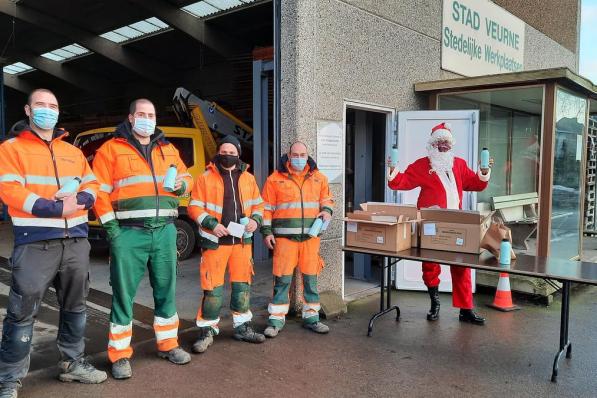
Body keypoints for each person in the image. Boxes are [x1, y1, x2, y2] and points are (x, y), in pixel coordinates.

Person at [0, 89, 106, 397]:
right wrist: (53, 208)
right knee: (22, 311)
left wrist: (85, 198)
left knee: (75, 307)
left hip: (74, 241)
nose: (48, 110)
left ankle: (72, 365)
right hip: (35, 243)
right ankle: (9, 378)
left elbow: (91, 181)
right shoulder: (11, 148)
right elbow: (9, 190)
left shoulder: (71, 152)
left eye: (53, 106)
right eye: (41, 106)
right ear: (28, 110)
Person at [92, 98, 193, 379]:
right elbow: (98, 192)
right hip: (129, 233)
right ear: (131, 117)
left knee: (166, 291)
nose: (147, 119)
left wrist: (184, 183)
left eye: (151, 114)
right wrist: (113, 232)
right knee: (123, 295)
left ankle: (168, 344)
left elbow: (186, 176)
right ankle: (120, 355)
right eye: (142, 114)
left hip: (165, 231)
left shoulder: (167, 148)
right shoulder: (111, 149)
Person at [388, 122, 492, 325]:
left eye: (446, 142)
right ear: (432, 144)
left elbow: (476, 184)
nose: (443, 145)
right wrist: (392, 169)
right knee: (430, 265)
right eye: (439, 141)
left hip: (456, 223)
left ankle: (466, 309)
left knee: (462, 265)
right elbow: (400, 182)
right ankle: (434, 303)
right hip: (431, 224)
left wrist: (483, 170)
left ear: (451, 145)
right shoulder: (421, 165)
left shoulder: (460, 164)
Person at [189, 136, 266, 353]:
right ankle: (206, 330)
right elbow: (194, 207)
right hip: (215, 242)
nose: (227, 154)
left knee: (242, 287)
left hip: (242, 243)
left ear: (238, 153)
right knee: (212, 289)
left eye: (231, 151)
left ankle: (242, 327)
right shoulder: (205, 178)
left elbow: (259, 205)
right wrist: (212, 225)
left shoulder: (248, 179)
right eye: (223, 151)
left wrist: (255, 221)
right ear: (218, 153)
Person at [261, 142, 334, 337]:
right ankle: (276, 320)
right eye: (295, 154)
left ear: (307, 155)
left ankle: (312, 317)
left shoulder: (320, 178)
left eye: (303, 154)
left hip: (310, 239)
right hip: (284, 240)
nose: (299, 158)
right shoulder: (274, 180)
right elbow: (266, 209)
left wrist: (327, 211)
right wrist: (266, 232)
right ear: (288, 154)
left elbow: (327, 200)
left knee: (311, 280)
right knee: (282, 280)